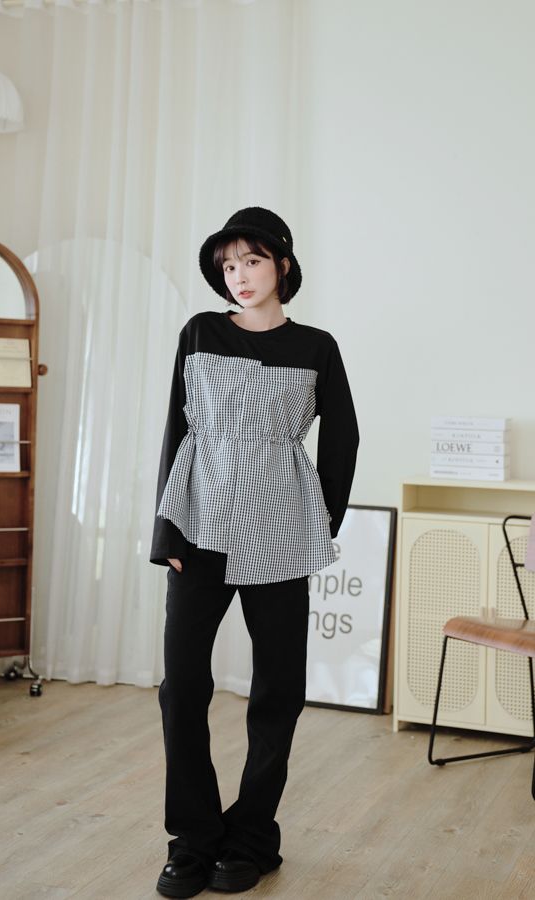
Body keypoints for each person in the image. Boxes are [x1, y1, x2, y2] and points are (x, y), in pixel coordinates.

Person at [150, 206, 359, 898]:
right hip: (201, 529)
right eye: (229, 264)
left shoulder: (317, 347)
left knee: (278, 691)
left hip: (279, 534)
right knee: (183, 687)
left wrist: (318, 524)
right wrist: (167, 533)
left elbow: (343, 438)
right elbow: (178, 430)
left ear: (283, 266)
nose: (238, 275)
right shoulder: (200, 332)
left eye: (253, 261)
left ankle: (251, 838)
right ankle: (192, 839)